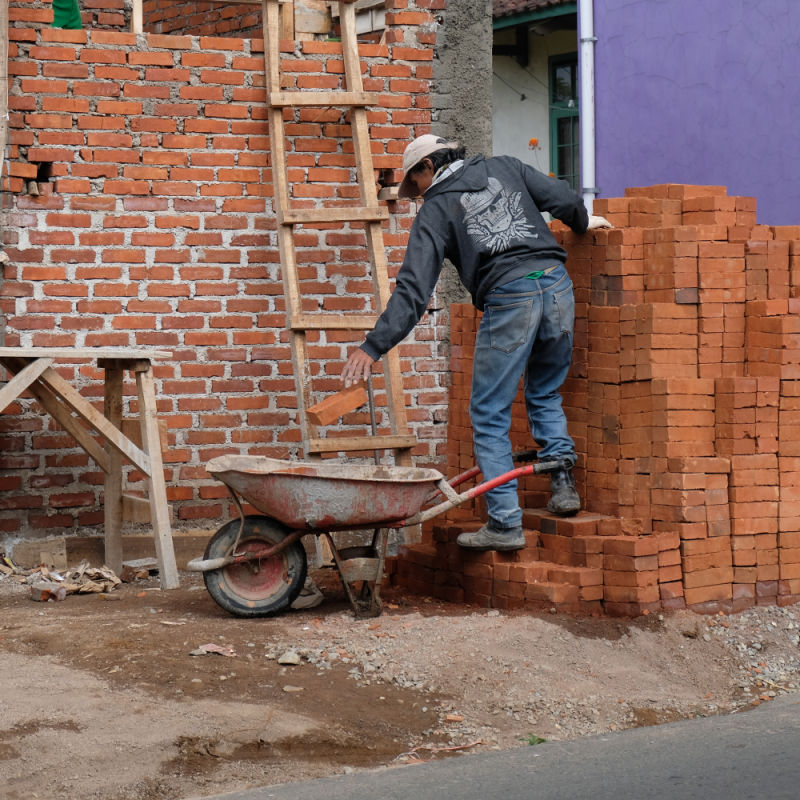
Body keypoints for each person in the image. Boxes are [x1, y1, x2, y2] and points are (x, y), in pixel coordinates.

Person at [342, 134, 610, 552]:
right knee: (544, 390)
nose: (419, 194)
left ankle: (505, 523)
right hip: (557, 287)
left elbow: (413, 292)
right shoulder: (507, 165)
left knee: (488, 412)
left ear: (426, 168)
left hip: (511, 299)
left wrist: (373, 346)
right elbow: (562, 198)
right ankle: (562, 485)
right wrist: (581, 223)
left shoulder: (436, 210)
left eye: (417, 182)